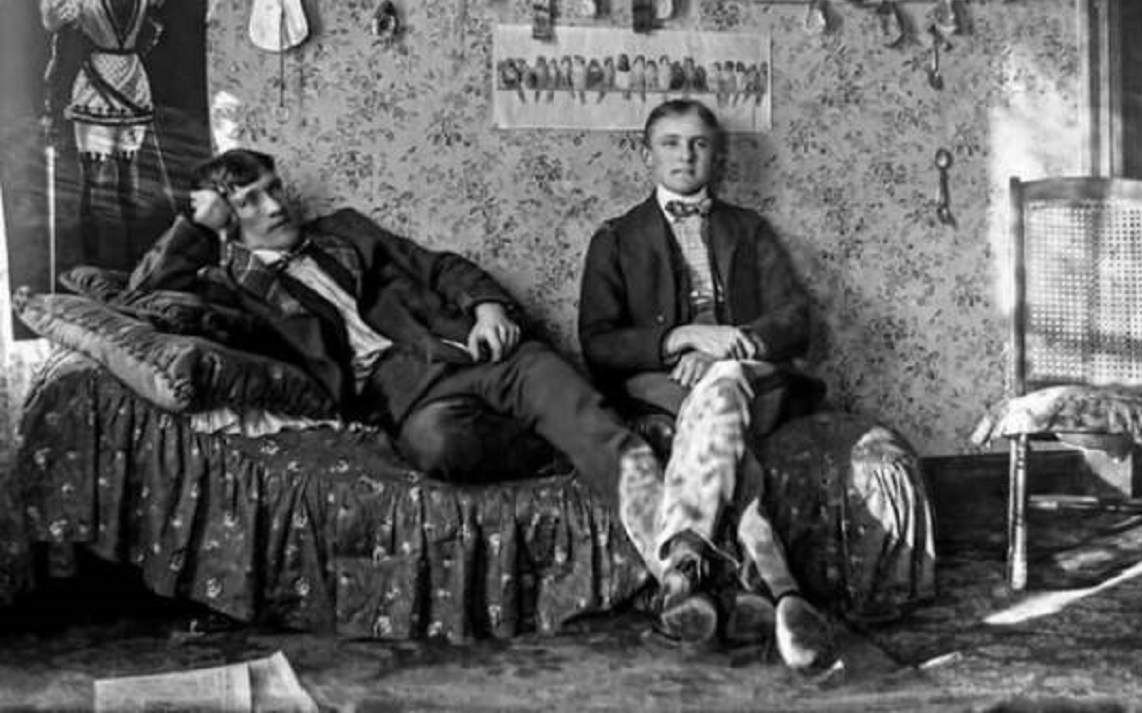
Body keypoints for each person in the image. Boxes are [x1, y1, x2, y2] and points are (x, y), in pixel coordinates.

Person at [125, 148, 671, 590]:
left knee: (570, 402)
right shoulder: (234, 286)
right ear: (225, 218)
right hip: (409, 399)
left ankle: (678, 562)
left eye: (273, 187)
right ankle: (577, 444)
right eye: (248, 201)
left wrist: (488, 308)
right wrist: (196, 227)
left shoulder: (347, 230)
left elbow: (438, 267)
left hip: (478, 351)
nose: (273, 206)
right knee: (438, 447)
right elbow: (146, 297)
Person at [578, 99, 833, 669]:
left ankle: (683, 562)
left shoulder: (749, 229)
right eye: (671, 142)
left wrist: (732, 342)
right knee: (723, 423)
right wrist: (683, 340)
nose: (685, 155)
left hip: (750, 376)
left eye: (697, 143)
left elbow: (795, 320)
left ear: (715, 155)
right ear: (648, 153)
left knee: (722, 381)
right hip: (665, 385)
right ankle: (776, 587)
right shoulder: (616, 238)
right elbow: (597, 342)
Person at [40, 0, 166, 266]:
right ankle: (88, 266)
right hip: (96, 86)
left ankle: (132, 268)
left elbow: (146, 32)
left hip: (133, 83)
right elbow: (57, 38)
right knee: (92, 185)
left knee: (129, 184)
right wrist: (51, 95)